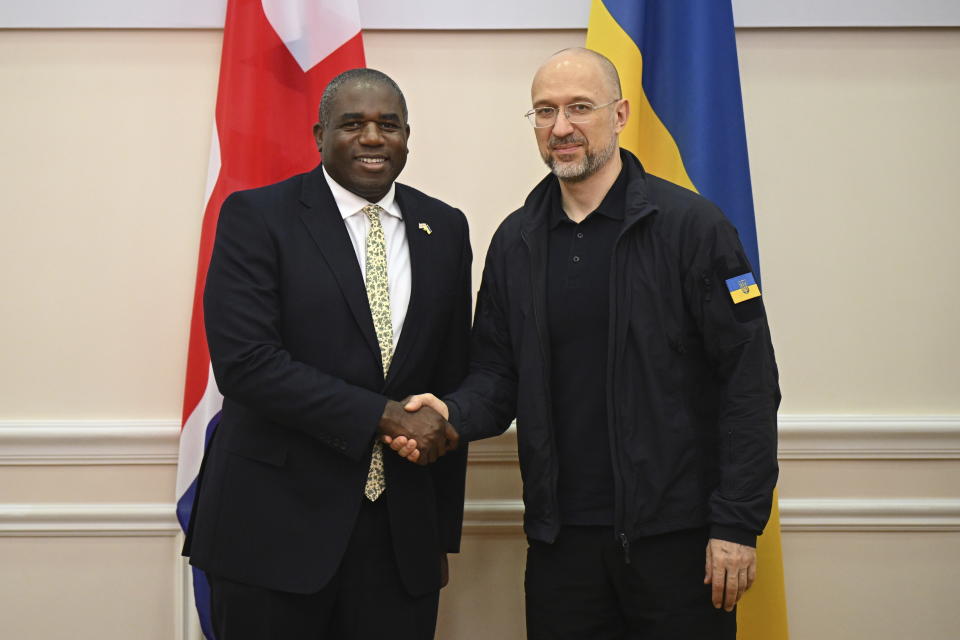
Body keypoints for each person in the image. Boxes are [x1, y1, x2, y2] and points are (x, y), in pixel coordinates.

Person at [392, 48, 780, 639]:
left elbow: (748, 385)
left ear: (620, 113)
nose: (561, 128)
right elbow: (497, 379)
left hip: (680, 545)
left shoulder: (693, 228)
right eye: (544, 112)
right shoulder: (515, 241)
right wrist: (450, 412)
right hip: (560, 543)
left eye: (579, 108)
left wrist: (736, 524)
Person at [183, 68, 472, 640]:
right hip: (273, 534)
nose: (372, 138)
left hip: (398, 545)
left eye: (388, 125)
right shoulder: (257, 216)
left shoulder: (444, 227)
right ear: (318, 135)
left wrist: (435, 535)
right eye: (353, 124)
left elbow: (449, 374)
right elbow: (246, 364)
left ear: (407, 137)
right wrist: (382, 415)